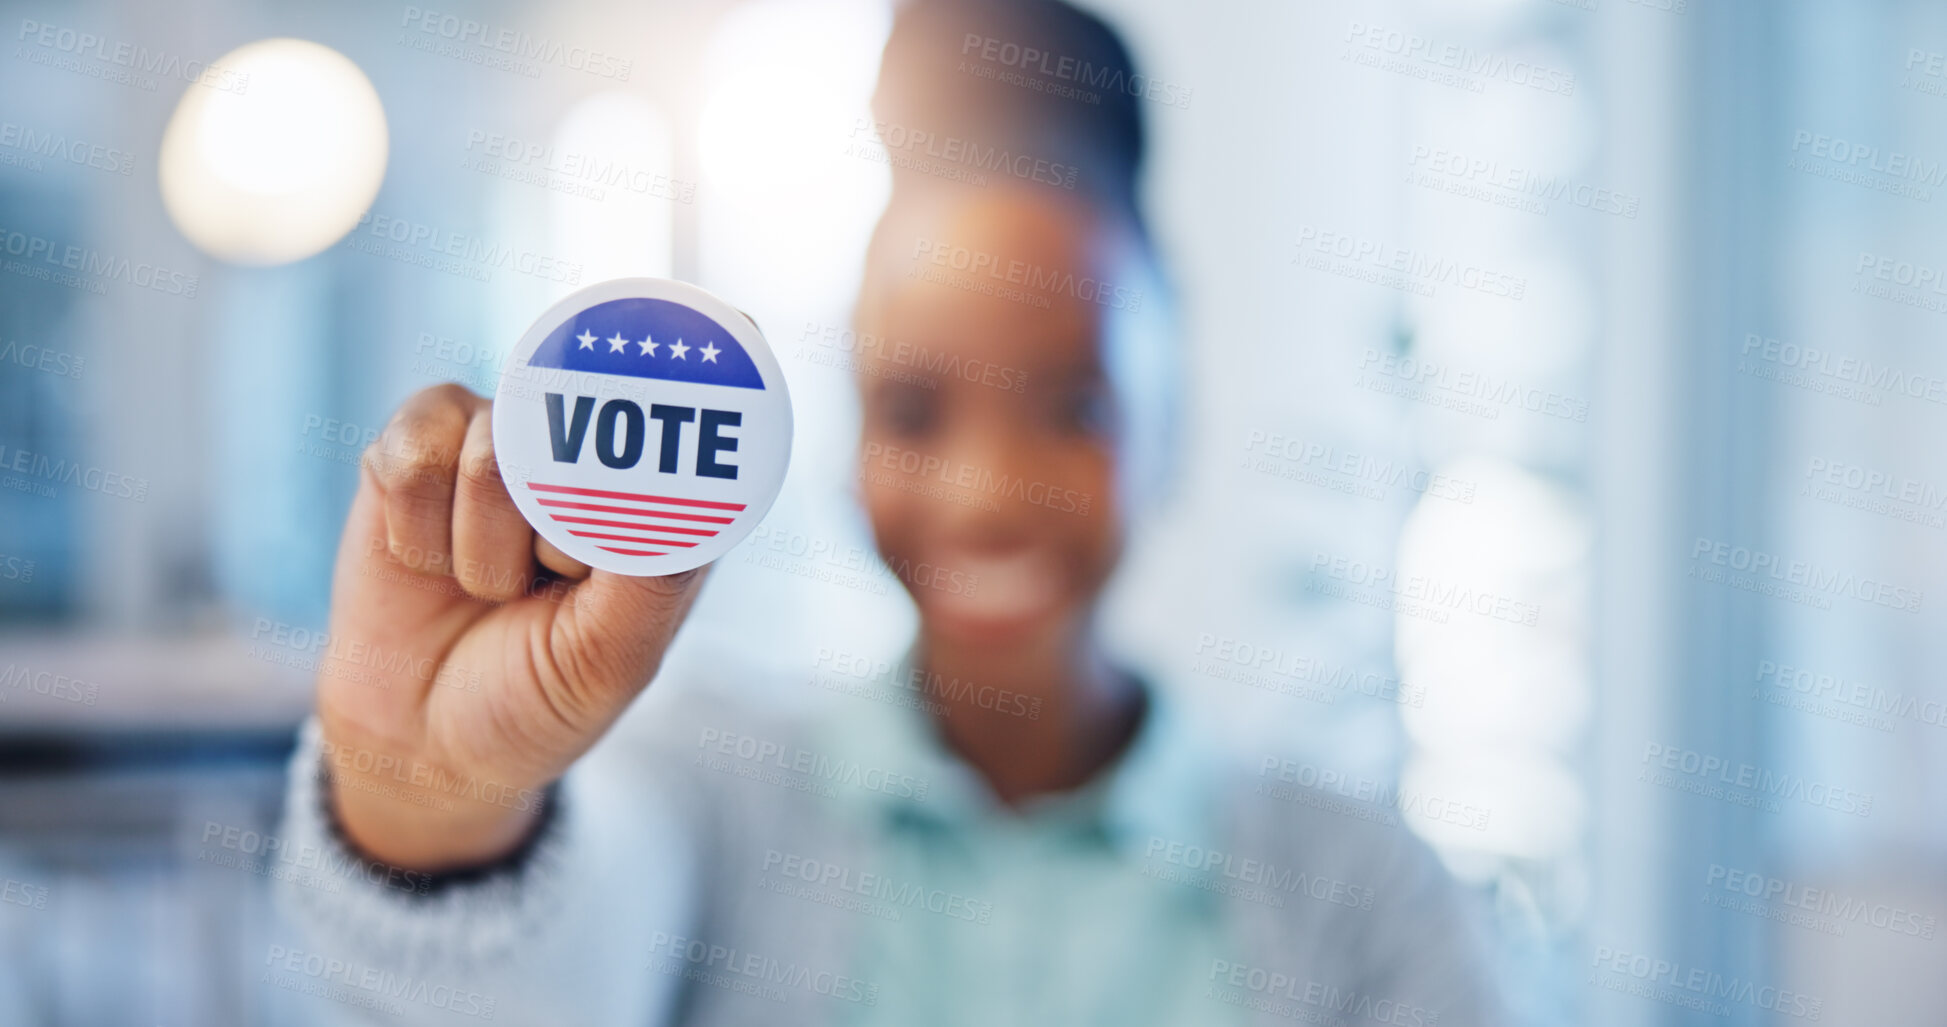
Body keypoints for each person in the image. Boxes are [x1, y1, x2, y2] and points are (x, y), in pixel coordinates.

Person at [274, 1, 1505, 1023]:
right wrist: (428, 799)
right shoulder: (711, 797)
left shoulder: (1361, 895)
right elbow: (519, 985)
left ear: (1169, 417)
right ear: (847, 430)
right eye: (915, 409)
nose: (983, 493)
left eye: (1071, 403)